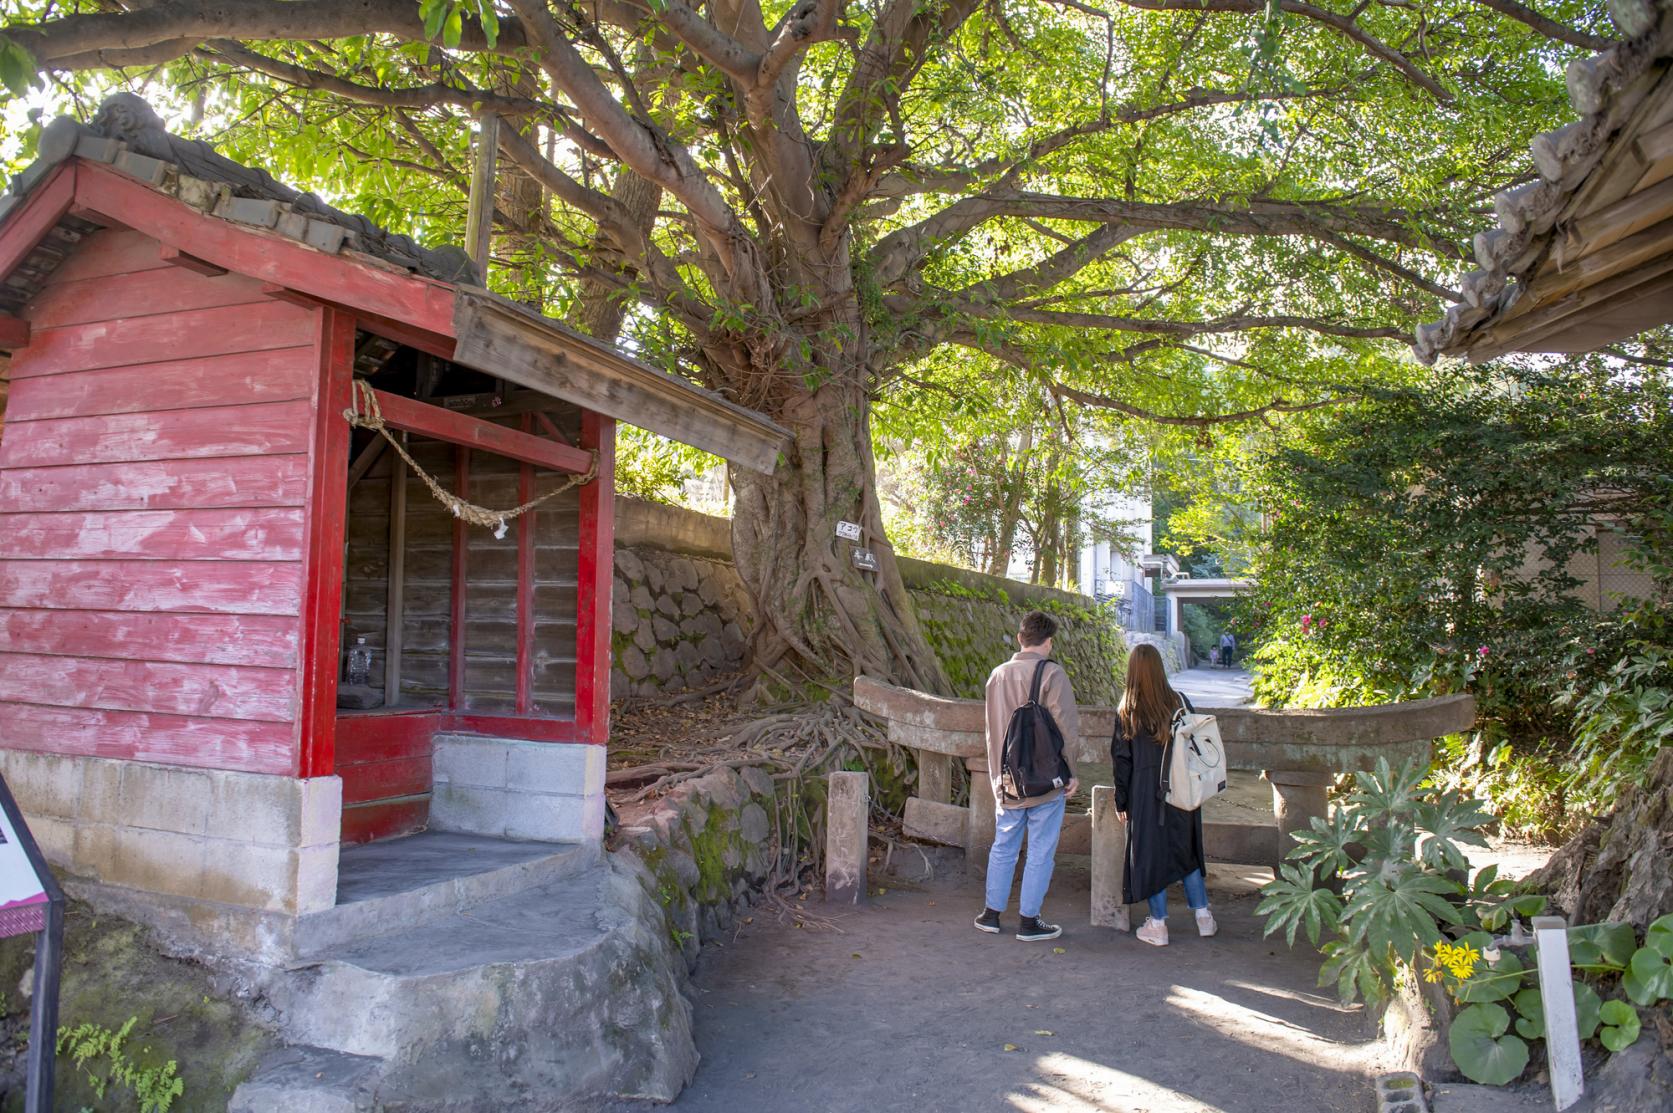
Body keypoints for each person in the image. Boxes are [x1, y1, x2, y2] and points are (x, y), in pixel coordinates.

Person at [974, 610, 1080, 942]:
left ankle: (991, 914)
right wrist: (1072, 773)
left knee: (1003, 845)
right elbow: (1067, 730)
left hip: (1006, 780)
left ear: (1020, 638)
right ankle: (1029, 921)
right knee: (1040, 850)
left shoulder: (997, 675)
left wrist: (996, 778)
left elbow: (992, 733)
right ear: (1049, 642)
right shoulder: (1053, 674)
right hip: (1045, 781)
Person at [1112, 643, 1216, 946]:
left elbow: (1122, 760)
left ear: (1132, 671)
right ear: (1160, 668)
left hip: (1145, 792)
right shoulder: (1179, 701)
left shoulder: (1128, 708)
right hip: (1182, 786)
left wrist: (1122, 800)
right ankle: (1204, 917)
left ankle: (1158, 925)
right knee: (1187, 852)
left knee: (1150, 855)